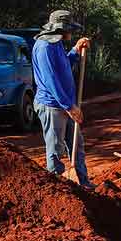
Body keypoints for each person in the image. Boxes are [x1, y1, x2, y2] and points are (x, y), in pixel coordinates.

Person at [32, 10, 94, 189]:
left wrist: (76, 49)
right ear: (61, 28)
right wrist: (69, 106)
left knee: (77, 144)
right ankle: (57, 190)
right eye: (70, 29)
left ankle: (83, 183)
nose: (71, 33)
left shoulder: (56, 43)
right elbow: (52, 81)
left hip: (65, 104)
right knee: (55, 150)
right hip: (52, 106)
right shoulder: (44, 47)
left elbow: (64, 65)